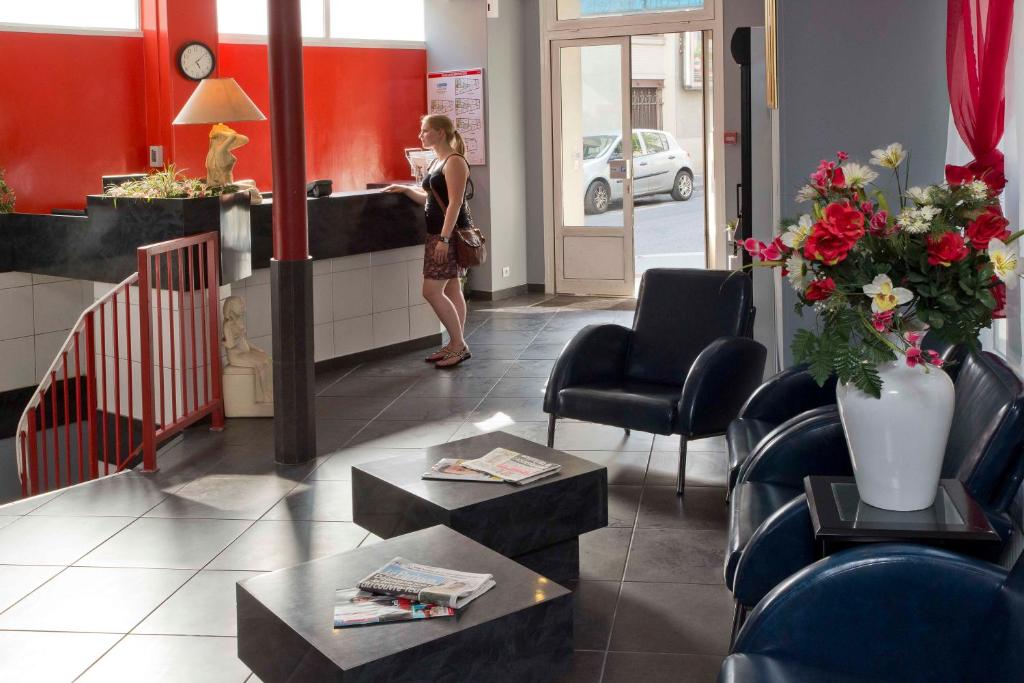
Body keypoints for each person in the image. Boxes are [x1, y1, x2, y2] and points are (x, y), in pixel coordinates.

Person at [383, 114, 474, 368]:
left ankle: (458, 346)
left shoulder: (455, 162)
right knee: (453, 288)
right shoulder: (437, 161)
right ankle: (456, 343)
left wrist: (444, 239)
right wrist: (406, 190)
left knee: (431, 291)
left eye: (425, 131)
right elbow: (432, 200)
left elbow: (456, 203)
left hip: (448, 235)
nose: (420, 135)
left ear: (441, 133)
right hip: (439, 234)